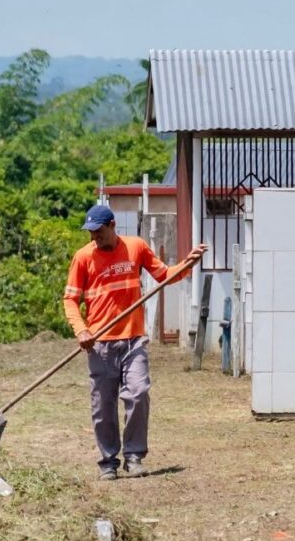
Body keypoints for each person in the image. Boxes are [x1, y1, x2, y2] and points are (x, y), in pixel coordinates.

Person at [62, 204, 207, 481]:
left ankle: (134, 456)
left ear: (112, 225)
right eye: (91, 232)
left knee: (138, 393)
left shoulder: (136, 247)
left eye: (99, 231)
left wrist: (187, 265)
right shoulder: (83, 257)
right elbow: (70, 299)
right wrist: (81, 330)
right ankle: (108, 462)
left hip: (133, 340)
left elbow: (164, 275)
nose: (94, 237)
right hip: (100, 344)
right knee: (103, 405)